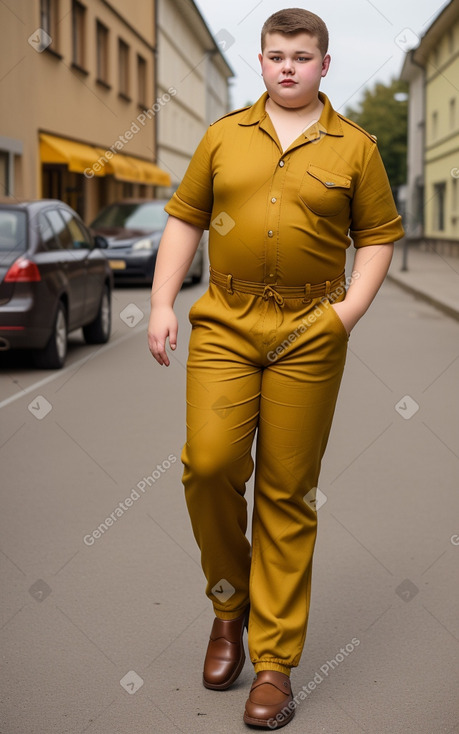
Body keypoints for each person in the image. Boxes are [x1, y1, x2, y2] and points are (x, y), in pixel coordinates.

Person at [148, 7, 404, 730]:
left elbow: (379, 236)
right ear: (259, 63)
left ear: (324, 65)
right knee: (208, 463)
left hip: (308, 329)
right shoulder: (222, 137)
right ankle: (228, 609)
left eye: (301, 55)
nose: (286, 66)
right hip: (225, 323)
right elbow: (184, 219)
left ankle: (274, 662)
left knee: (288, 490)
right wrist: (163, 301)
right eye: (274, 55)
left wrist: (343, 315)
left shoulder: (354, 148)